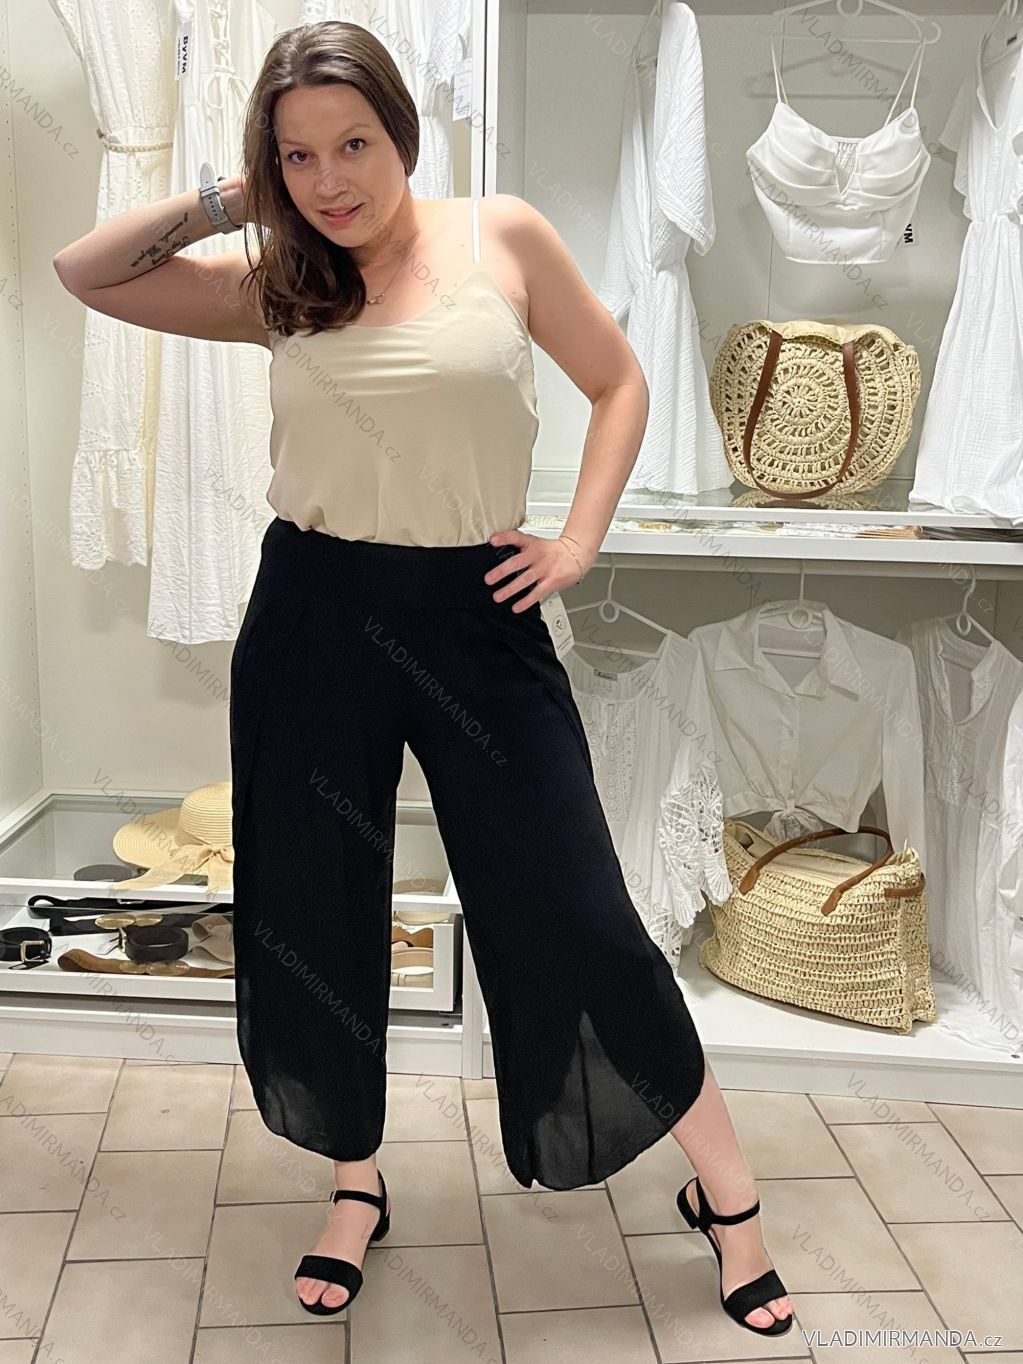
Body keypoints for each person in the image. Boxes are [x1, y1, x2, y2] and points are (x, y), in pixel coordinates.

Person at [52, 18, 793, 1337]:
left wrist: (577, 542)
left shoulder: (501, 235)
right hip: (314, 613)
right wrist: (235, 199)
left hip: (476, 617)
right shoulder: (282, 280)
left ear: (401, 132)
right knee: (317, 905)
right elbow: (87, 271)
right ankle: (354, 1184)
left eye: (353, 144)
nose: (330, 179)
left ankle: (726, 1196)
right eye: (298, 157)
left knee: (573, 909)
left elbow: (619, 383)